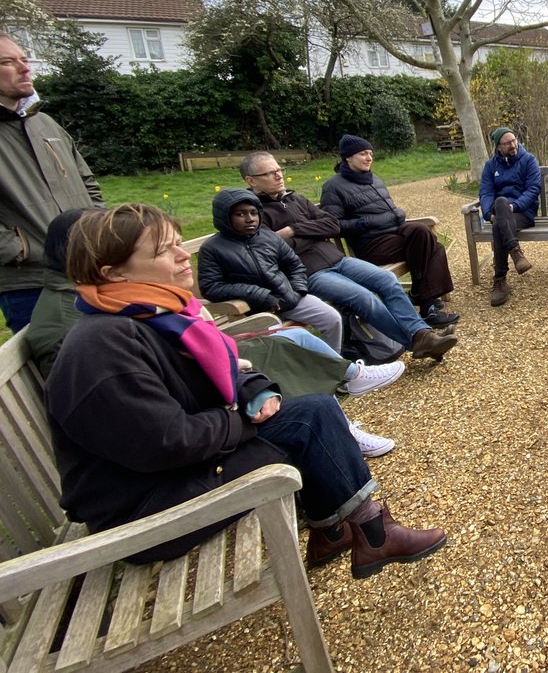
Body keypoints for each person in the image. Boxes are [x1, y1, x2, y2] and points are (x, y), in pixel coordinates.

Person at [45, 204, 446, 576]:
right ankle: (372, 534)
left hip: (182, 472)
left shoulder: (153, 315)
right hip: (150, 509)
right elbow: (168, 442)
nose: (185, 255)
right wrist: (241, 418)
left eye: (177, 244)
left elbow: (227, 363)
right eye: (165, 252)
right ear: (114, 273)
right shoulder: (102, 348)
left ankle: (338, 532)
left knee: (316, 410)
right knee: (308, 429)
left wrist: (256, 391)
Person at [27, 207, 401, 458]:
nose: (179, 256)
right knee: (280, 349)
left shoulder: (114, 299)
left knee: (290, 339)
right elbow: (128, 411)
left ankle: (351, 377)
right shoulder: (85, 321)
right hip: (188, 427)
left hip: (207, 378)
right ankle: (341, 410)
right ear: (93, 255)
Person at [241, 152, 457, 361]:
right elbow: (271, 248)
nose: (279, 176)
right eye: (270, 173)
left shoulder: (295, 199)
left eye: (279, 170)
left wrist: (293, 230)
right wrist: (313, 232)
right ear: (251, 180)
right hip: (310, 272)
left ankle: (422, 335)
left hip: (339, 260)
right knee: (363, 297)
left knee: (388, 281)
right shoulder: (252, 214)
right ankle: (418, 342)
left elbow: (332, 224)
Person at [0, 32, 105, 331]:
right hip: (31, 283)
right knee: (63, 369)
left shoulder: (45, 123)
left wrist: (97, 229)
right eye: (8, 62)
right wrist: (23, 249)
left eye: (24, 58)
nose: (25, 68)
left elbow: (88, 183)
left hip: (88, 267)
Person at [321, 135, 457, 327]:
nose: (369, 158)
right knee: (434, 248)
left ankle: (419, 294)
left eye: (370, 153)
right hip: (371, 243)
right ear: (347, 158)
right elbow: (332, 225)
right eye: (362, 154)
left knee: (423, 232)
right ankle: (427, 307)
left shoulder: (374, 179)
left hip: (395, 232)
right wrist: (361, 223)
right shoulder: (333, 187)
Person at [199, 189, 345, 349]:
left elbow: (294, 265)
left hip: (289, 298)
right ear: (225, 217)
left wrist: (297, 289)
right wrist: (260, 295)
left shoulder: (269, 237)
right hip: (252, 310)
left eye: (254, 213)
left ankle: (331, 365)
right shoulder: (213, 249)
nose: (250, 219)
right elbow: (211, 287)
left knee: (332, 318)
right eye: (240, 215)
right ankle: (300, 371)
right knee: (283, 343)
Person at [480, 126, 541, 307]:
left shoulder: (528, 160)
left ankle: (500, 279)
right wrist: (487, 214)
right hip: (501, 213)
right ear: (498, 147)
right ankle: (516, 254)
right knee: (499, 205)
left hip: (523, 212)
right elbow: (485, 193)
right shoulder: (491, 166)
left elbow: (533, 189)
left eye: (514, 141)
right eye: (507, 143)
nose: (512, 145)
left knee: (501, 211)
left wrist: (513, 206)